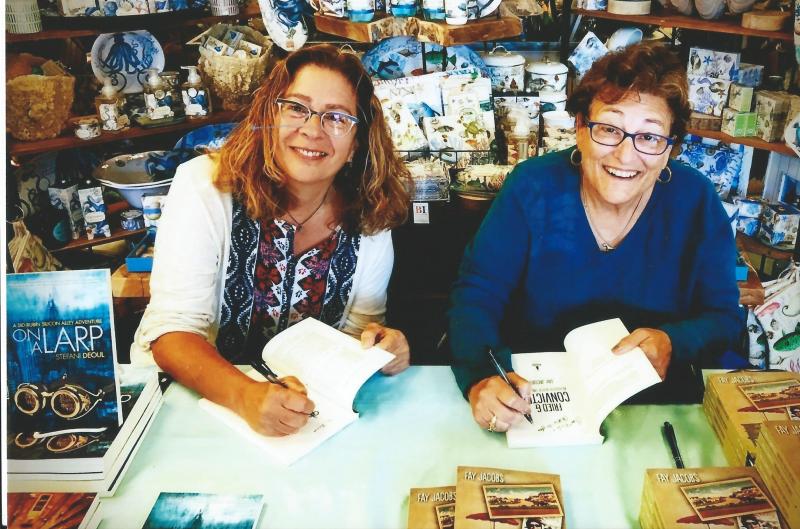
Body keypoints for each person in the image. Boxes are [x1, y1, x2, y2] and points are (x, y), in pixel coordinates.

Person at [448, 42, 743, 432]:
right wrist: (482, 377)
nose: (625, 155)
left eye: (650, 137)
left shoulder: (695, 201)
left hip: (653, 414)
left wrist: (674, 341)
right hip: (535, 407)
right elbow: (477, 294)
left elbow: (724, 318)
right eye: (609, 129)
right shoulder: (533, 187)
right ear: (580, 129)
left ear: (670, 148)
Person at [131, 45, 411, 437]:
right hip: (189, 408)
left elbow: (358, 330)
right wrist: (246, 396)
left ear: (356, 144)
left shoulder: (370, 216)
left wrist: (382, 347)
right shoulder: (205, 187)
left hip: (304, 416)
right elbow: (172, 333)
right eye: (297, 108)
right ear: (269, 116)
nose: (313, 129)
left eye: (336, 117)